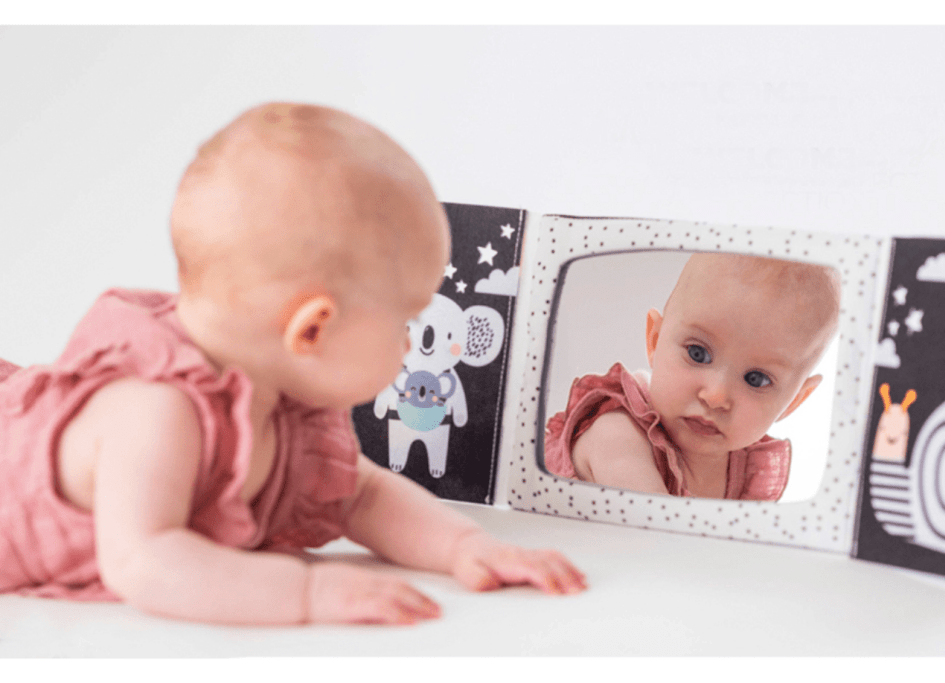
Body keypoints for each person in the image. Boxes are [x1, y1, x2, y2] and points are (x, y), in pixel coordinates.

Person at [0, 102, 586, 625]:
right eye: (405, 320)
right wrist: (306, 593)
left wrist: (465, 547)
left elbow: (365, 496)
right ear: (313, 328)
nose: (412, 346)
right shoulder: (157, 409)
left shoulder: (284, 407)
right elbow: (144, 561)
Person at [545, 252, 841, 501]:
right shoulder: (618, 436)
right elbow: (655, 538)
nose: (716, 396)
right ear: (655, 340)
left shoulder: (747, 468)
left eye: (757, 379)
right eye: (698, 353)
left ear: (794, 401)